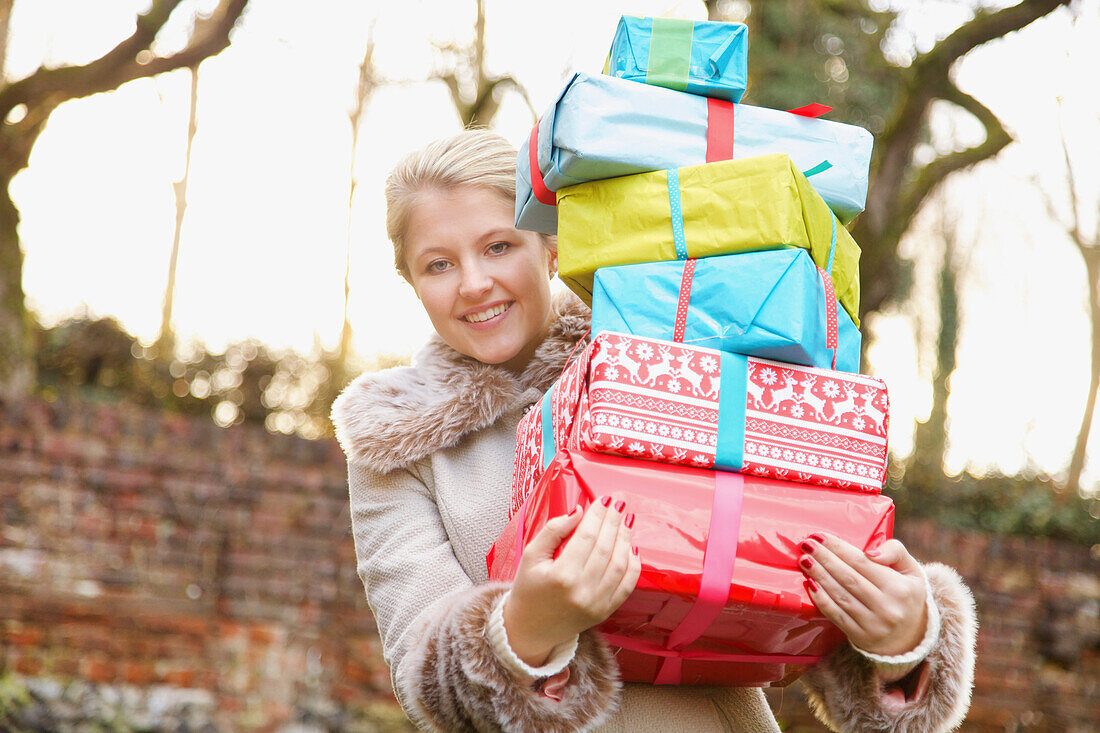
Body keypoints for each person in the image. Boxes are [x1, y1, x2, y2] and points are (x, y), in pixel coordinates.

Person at [331, 129, 978, 732]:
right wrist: (521, 628)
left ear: (551, 248)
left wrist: (904, 641)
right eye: (438, 264)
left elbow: (789, 574)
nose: (474, 283)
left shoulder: (672, 355)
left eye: (498, 246)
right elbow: (422, 672)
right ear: (412, 281)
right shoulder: (395, 445)